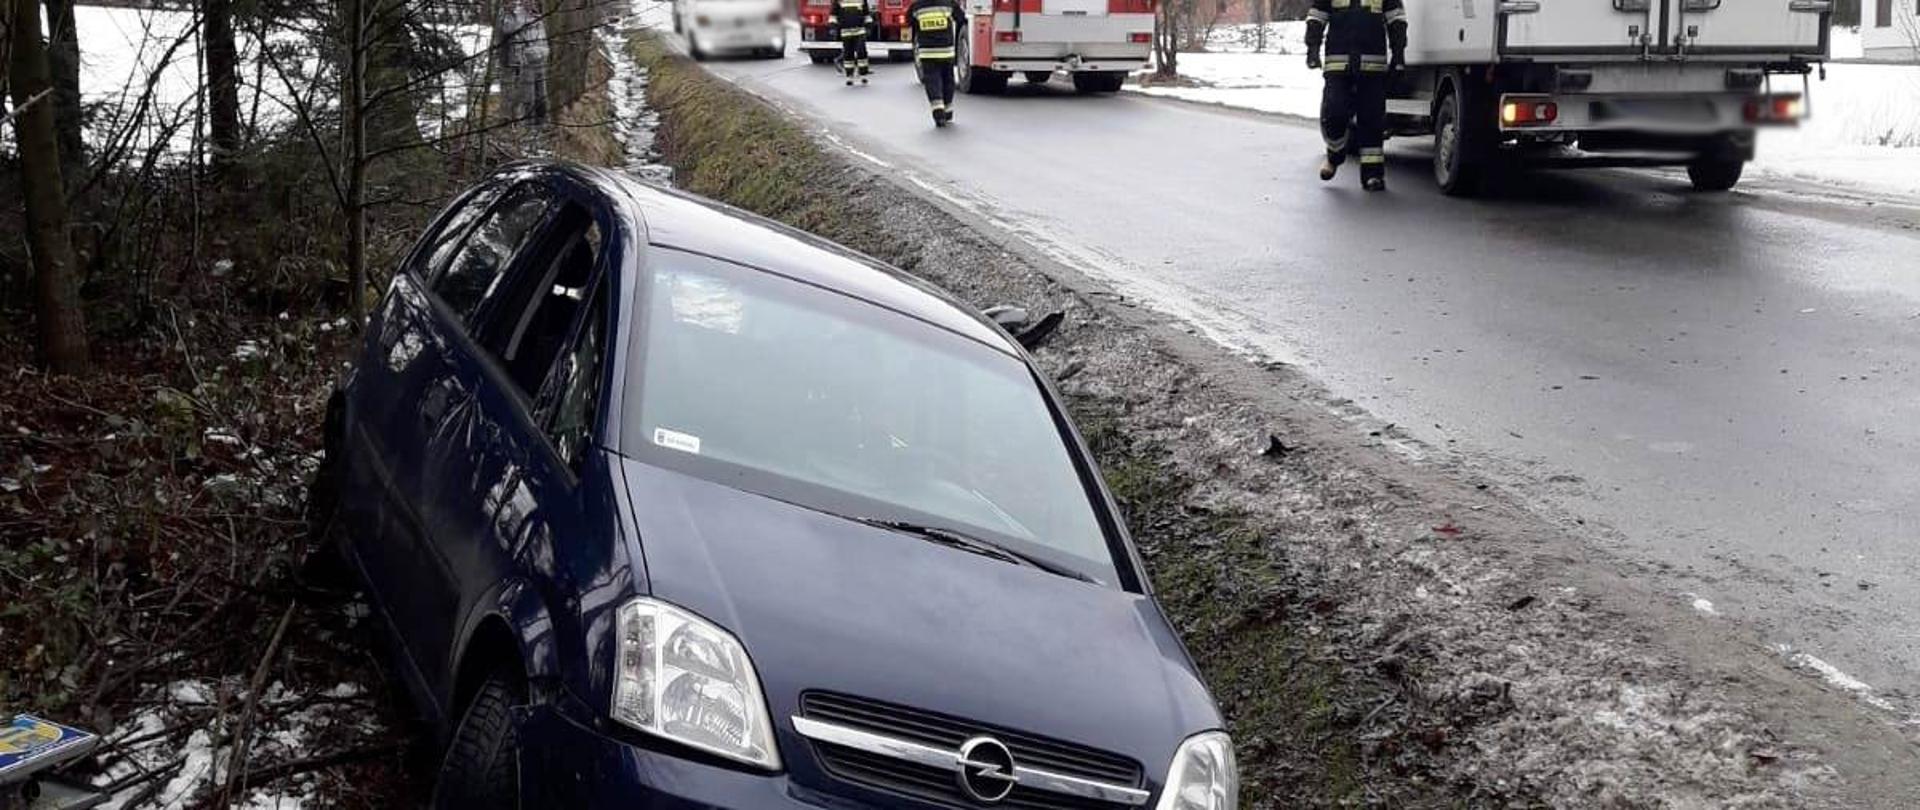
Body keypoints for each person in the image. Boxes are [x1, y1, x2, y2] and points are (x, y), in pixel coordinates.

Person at [1305, 0, 1406, 191]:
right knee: (1334, 113)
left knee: (1372, 121)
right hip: (1338, 64)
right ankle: (1335, 154)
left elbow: (1397, 20)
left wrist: (1399, 55)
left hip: (1373, 66)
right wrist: (1312, 49)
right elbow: (1316, 17)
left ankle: (1373, 175)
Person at [907, 0, 965, 125]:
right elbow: (960, 18)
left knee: (932, 81)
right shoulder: (948, 3)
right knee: (948, 80)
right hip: (946, 51)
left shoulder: (917, 6)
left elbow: (909, 22)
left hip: (927, 52)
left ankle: (938, 111)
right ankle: (948, 110)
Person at [834, 0, 875, 86]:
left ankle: (863, 75)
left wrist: (869, 25)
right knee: (848, 54)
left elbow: (866, 14)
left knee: (861, 52)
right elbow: (833, 14)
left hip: (859, 31)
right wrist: (833, 27)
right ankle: (850, 76)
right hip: (846, 32)